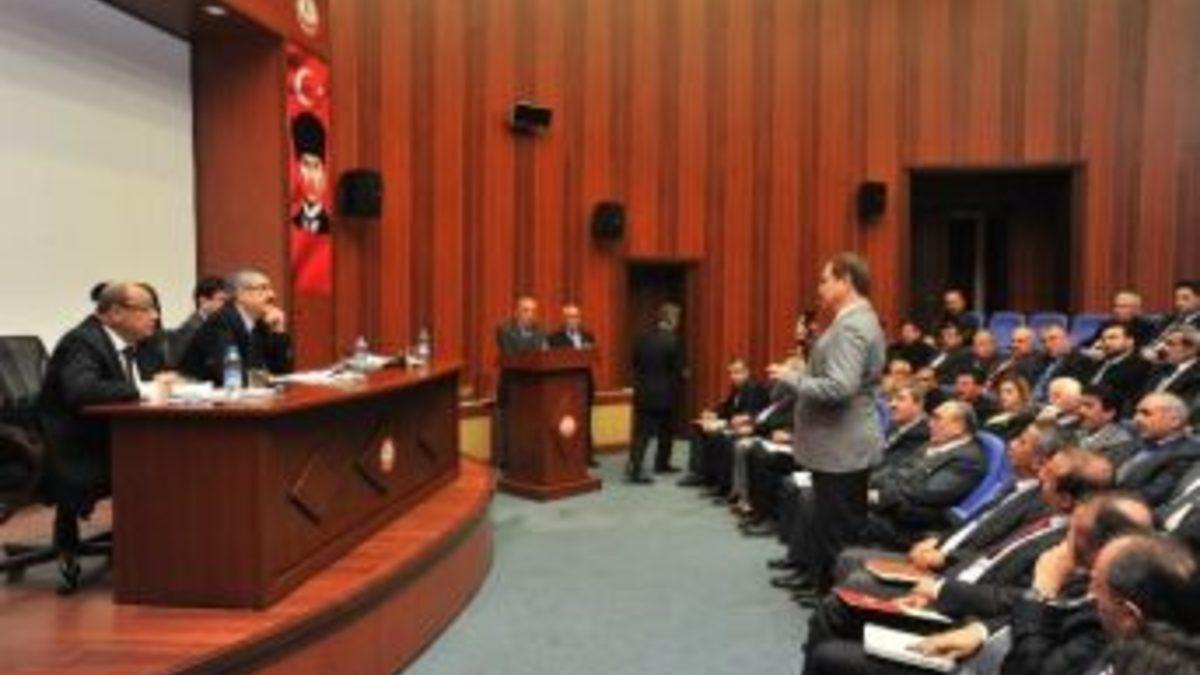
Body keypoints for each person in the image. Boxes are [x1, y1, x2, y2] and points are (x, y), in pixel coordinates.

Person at [767, 252, 886, 595]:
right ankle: (821, 587)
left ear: (845, 281)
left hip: (842, 446)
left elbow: (839, 388)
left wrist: (793, 377)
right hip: (837, 445)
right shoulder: (852, 321)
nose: (819, 288)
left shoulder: (852, 326)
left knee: (840, 536)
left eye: (824, 280)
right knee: (829, 525)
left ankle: (836, 604)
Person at [38, 282, 170, 591]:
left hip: (105, 436)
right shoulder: (82, 342)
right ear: (115, 313)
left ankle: (155, 546)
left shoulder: (131, 343)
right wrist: (143, 390)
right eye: (147, 309)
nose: (155, 316)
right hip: (73, 446)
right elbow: (81, 390)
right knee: (162, 463)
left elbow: (152, 378)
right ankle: (149, 556)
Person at [178, 268, 293, 385]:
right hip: (199, 394)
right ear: (240, 294)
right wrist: (267, 379)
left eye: (270, 289)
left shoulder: (260, 324)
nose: (272, 295)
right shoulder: (220, 323)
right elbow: (231, 375)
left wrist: (278, 331)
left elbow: (281, 373)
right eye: (263, 288)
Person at [629, 303, 685, 482]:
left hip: (643, 391)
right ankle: (661, 463)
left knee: (641, 432)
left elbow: (635, 363)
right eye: (677, 318)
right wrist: (684, 375)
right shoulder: (674, 341)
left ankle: (636, 467)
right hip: (666, 393)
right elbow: (678, 369)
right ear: (672, 319)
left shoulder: (642, 339)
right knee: (666, 430)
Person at [546, 303, 598, 466]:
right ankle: (566, 456)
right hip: (564, 388)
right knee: (564, 421)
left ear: (580, 319)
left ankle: (587, 456)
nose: (573, 320)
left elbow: (594, 359)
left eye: (576, 316)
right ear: (564, 319)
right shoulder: (554, 338)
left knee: (586, 420)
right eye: (569, 317)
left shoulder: (588, 336)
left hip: (585, 384)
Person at [168, 276, 231, 367]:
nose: (227, 305)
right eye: (222, 300)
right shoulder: (189, 330)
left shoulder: (223, 325)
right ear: (203, 301)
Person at [291, 111, 330, 234]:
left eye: (316, 166)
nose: (311, 178)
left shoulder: (332, 226)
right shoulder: (292, 223)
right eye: (306, 165)